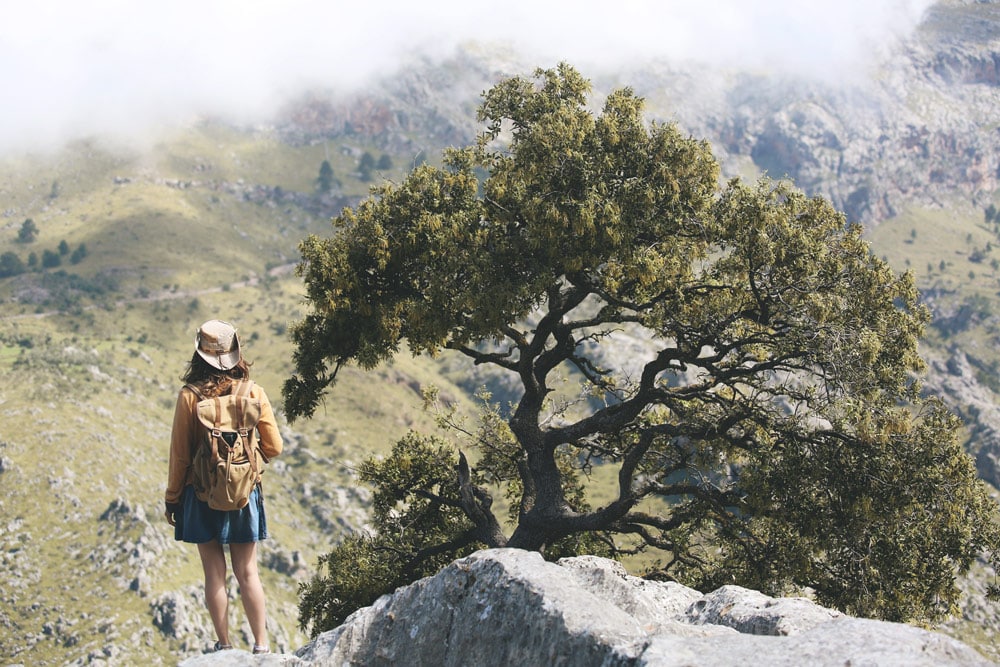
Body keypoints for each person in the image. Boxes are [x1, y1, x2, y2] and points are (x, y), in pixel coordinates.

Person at [164, 319, 283, 654]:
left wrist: (173, 499)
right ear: (235, 353)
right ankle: (261, 646)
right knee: (248, 572)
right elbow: (274, 447)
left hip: (200, 494)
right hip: (245, 494)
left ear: (199, 355)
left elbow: (180, 456)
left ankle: (225, 644)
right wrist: (247, 464)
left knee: (214, 573)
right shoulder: (253, 392)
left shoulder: (189, 397)